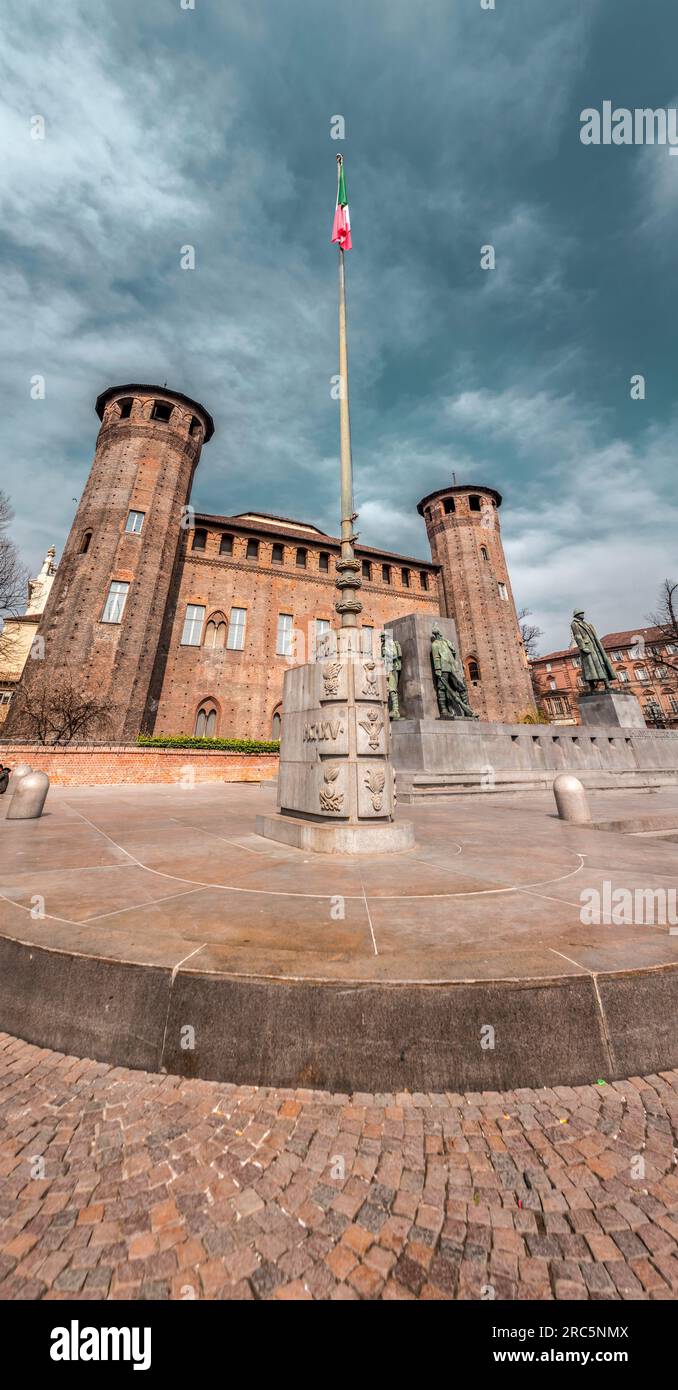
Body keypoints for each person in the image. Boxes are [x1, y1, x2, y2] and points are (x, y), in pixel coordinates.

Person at [430, 624, 477, 720]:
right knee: (442, 688)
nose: (438, 632)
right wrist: (438, 669)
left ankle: (467, 708)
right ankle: (444, 710)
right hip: (443, 668)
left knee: (461, 686)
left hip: (452, 667)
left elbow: (453, 652)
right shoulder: (435, 645)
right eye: (436, 631)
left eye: (438, 630)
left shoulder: (446, 642)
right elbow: (436, 657)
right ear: (435, 633)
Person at [570, 609, 616, 692]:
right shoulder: (574, 624)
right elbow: (577, 636)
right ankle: (592, 686)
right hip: (587, 646)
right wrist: (583, 647)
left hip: (595, 646)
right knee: (590, 667)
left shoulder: (587, 624)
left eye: (583, 613)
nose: (583, 615)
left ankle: (607, 685)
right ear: (577, 615)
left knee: (601, 664)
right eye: (581, 613)